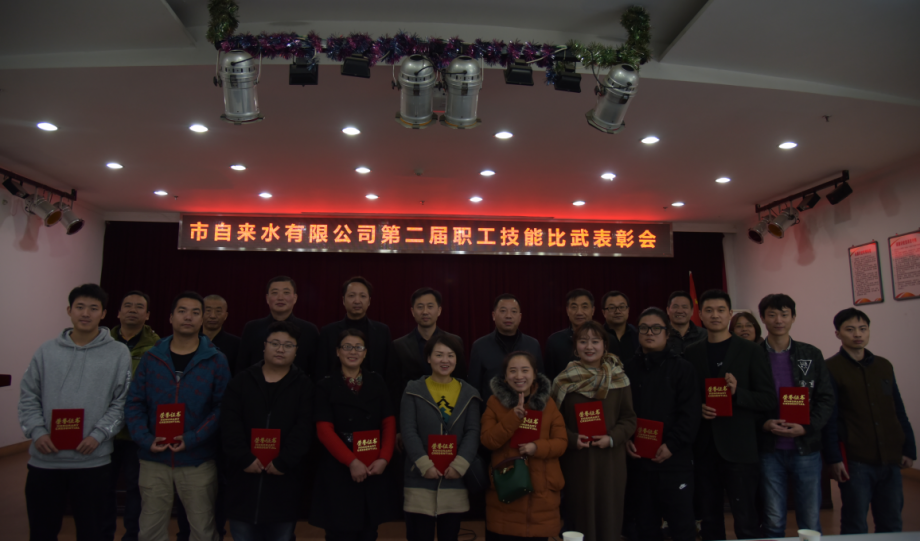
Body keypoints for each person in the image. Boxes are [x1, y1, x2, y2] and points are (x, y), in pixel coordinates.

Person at [19, 284, 132, 541]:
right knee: (42, 531)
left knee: (92, 532)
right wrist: (37, 432)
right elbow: (28, 396)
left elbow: (121, 401)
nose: (86, 313)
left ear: (104, 313)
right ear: (69, 310)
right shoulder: (46, 351)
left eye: (93, 308)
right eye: (80, 307)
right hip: (45, 460)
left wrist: (98, 435)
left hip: (93, 460)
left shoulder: (118, 353)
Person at [125, 291, 231, 541]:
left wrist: (192, 438)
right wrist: (146, 439)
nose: (188, 317)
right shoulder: (152, 357)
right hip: (154, 457)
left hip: (197, 460)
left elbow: (222, 408)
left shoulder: (216, 360)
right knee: (150, 531)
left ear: (202, 319)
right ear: (171, 317)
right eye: (182, 311)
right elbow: (134, 402)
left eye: (195, 312)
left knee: (203, 531)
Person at [684, 290, 775, 541]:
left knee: (746, 519)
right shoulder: (691, 353)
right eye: (709, 310)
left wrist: (738, 393)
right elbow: (686, 397)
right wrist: (698, 408)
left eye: (721, 310)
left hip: (740, 448)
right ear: (700, 315)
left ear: (730, 314)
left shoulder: (751, 350)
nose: (715, 315)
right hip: (704, 448)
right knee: (710, 519)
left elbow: (768, 398)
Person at [824, 308, 915, 534]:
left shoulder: (884, 366)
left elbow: (898, 409)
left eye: (862, 329)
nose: (857, 334)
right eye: (850, 329)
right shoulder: (830, 368)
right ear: (838, 334)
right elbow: (829, 417)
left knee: (892, 522)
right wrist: (834, 458)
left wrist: (909, 447)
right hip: (856, 460)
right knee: (855, 523)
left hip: (890, 458)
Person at [221, 321, 314, 541]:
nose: (281, 349)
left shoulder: (304, 386)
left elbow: (305, 428)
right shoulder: (242, 381)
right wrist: (244, 458)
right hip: (243, 477)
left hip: (283, 479)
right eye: (275, 343)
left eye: (288, 345)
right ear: (264, 346)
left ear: (296, 351)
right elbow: (229, 423)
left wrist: (284, 461)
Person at [755, 293, 835, 537]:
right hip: (769, 450)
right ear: (763, 318)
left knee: (810, 519)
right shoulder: (752, 354)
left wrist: (807, 427)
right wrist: (764, 424)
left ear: (793, 317)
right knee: (773, 519)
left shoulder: (811, 353)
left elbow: (826, 398)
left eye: (784, 314)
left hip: (806, 448)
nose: (778, 320)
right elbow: (746, 401)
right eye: (772, 315)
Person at [552, 320, 636, 541]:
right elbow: (553, 423)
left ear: (605, 346)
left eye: (595, 341)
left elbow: (629, 419)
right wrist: (572, 439)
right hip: (576, 462)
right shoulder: (562, 381)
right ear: (575, 347)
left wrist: (612, 438)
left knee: (609, 519)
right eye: (583, 341)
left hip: (610, 462)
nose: (589, 347)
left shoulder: (619, 379)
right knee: (578, 520)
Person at [310, 329, 397, 540]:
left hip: (371, 467)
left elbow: (388, 422)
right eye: (347, 347)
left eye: (358, 347)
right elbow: (324, 431)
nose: (353, 352)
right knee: (340, 532)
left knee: (369, 532)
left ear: (365, 353)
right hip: (339, 469)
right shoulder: (325, 385)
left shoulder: (376, 381)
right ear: (337, 352)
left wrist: (384, 458)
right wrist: (351, 462)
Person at [623, 308, 700, 541]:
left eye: (656, 328)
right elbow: (621, 413)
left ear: (667, 333)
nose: (650, 333)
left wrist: (671, 446)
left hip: (674, 462)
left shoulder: (683, 368)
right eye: (644, 328)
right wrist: (626, 438)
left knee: (682, 528)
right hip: (639, 464)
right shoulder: (627, 369)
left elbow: (690, 415)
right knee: (645, 529)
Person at [400, 334, 481, 541]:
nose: (445, 360)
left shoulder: (469, 393)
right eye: (439, 355)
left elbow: (473, 432)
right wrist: (424, 465)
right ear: (428, 358)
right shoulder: (413, 390)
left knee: (450, 535)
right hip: (419, 476)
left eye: (450, 355)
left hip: (454, 477)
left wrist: (459, 466)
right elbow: (408, 430)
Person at [481, 351, 566, 541]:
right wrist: (513, 418)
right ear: (505, 376)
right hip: (508, 490)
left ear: (534, 374)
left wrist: (537, 447)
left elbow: (561, 442)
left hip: (542, 492)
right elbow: (488, 440)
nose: (519, 376)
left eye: (525, 370)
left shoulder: (548, 404)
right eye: (513, 371)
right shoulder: (495, 403)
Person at [105, 290, 160, 541]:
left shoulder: (158, 347)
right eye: (128, 305)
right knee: (102, 488)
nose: (133, 310)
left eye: (139, 307)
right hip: (104, 432)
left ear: (147, 315)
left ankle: (132, 536)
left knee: (136, 489)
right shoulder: (101, 342)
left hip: (137, 433)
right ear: (117, 312)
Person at [389, 287, 466, 418]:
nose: (425, 311)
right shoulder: (399, 345)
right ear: (413, 311)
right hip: (412, 413)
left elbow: (461, 380)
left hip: (448, 410)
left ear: (439, 310)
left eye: (430, 306)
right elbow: (394, 388)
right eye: (420, 307)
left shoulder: (454, 342)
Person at [468, 294, 544, 403]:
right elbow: (473, 388)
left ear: (520, 317)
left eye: (514, 311)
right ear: (494, 315)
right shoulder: (480, 346)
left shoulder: (533, 345)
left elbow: (540, 383)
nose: (508, 316)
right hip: (491, 411)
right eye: (503, 311)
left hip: (527, 410)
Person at [237, 276, 320, 377]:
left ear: (295, 298)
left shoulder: (309, 331)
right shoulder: (252, 328)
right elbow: (241, 367)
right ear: (267, 298)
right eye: (275, 293)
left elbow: (315, 371)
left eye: (286, 292)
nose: (280, 298)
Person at [318, 276, 393, 380]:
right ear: (343, 300)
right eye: (351, 295)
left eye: (362, 296)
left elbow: (389, 370)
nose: (357, 301)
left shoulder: (382, 331)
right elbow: (321, 371)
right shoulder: (328, 332)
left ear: (369, 301)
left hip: (374, 388)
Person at [544, 288, 596, 379]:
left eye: (584, 307)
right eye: (574, 307)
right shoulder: (554, 341)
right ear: (567, 310)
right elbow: (549, 378)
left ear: (593, 310)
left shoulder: (606, 339)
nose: (579, 312)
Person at [203, 294, 241, 374]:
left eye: (218, 311)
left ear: (226, 315)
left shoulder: (236, 344)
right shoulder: (191, 340)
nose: (213, 316)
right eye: (208, 310)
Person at [601, 290, 639, 364]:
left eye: (622, 307)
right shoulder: (598, 335)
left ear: (628, 310)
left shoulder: (637, 334)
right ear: (604, 312)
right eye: (612, 308)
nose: (618, 311)